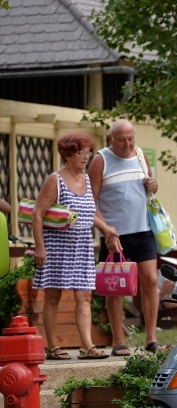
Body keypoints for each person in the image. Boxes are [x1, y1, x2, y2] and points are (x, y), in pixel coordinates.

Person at [33, 133, 119, 360]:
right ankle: (52, 346)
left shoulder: (87, 180)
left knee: (85, 297)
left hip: (81, 248)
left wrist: (107, 229)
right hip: (57, 248)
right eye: (81, 152)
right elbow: (37, 214)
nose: (86, 157)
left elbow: (89, 214)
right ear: (67, 154)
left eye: (88, 152)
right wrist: (40, 247)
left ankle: (87, 346)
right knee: (53, 297)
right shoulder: (55, 180)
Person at [88, 119, 162, 356]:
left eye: (131, 139)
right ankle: (118, 341)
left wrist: (154, 184)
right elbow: (91, 201)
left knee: (150, 280)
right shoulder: (100, 160)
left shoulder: (140, 155)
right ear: (112, 139)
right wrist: (105, 232)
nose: (127, 144)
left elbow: (150, 186)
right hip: (114, 235)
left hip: (143, 229)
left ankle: (151, 338)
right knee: (115, 287)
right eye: (122, 140)